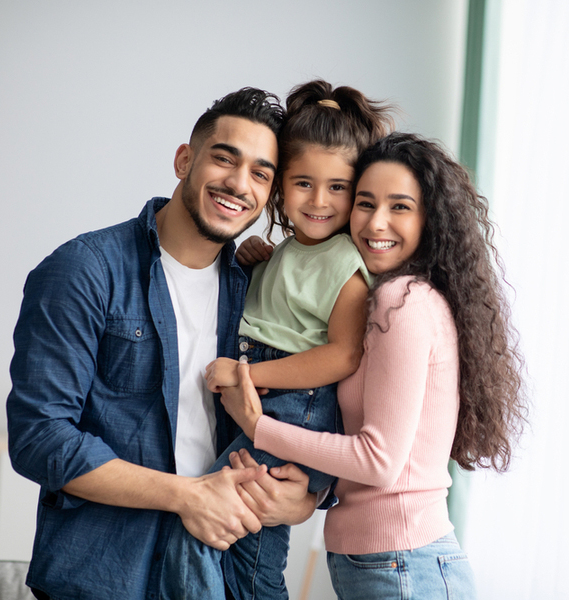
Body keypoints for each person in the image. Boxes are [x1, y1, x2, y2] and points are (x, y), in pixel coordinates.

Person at [6, 87, 318, 600]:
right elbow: (40, 437)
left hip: (223, 575)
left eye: (261, 174)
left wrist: (308, 497)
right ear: (184, 160)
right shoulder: (85, 270)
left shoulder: (258, 289)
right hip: (105, 578)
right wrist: (187, 497)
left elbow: (309, 405)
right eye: (225, 158)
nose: (239, 184)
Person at [221, 132, 528, 600]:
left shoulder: (402, 303)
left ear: (431, 219)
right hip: (388, 562)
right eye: (365, 203)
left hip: (404, 565)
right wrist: (312, 494)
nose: (376, 222)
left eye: (400, 206)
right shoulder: (382, 298)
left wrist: (258, 426)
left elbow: (379, 462)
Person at [162, 79, 394, 600]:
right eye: (303, 183)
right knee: (246, 556)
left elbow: (343, 354)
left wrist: (247, 376)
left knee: (207, 535)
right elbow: (287, 310)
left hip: (293, 407)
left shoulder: (345, 265)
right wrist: (259, 264)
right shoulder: (286, 251)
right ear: (281, 188)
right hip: (275, 402)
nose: (319, 201)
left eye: (338, 188)